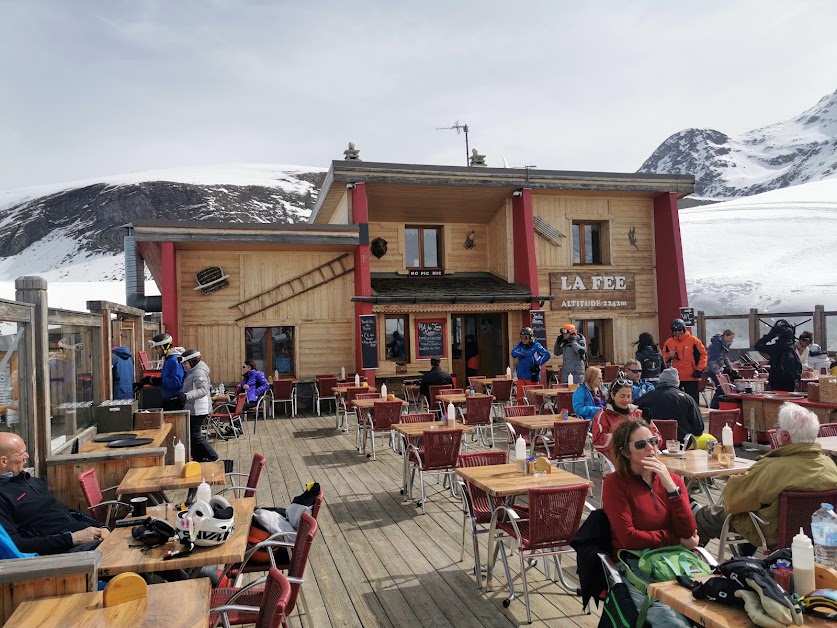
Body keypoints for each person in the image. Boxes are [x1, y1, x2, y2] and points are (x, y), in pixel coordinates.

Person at [694, 402, 837, 549]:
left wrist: (741, 479)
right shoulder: (831, 466)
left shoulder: (771, 468)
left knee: (707, 515)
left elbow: (731, 503)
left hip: (772, 534)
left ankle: (696, 558)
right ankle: (746, 557)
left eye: (778, 427)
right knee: (756, 510)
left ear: (785, 435)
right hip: (819, 536)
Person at [602, 419, 697, 628]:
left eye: (653, 441)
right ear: (625, 452)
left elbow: (688, 530)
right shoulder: (615, 484)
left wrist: (672, 488)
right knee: (674, 622)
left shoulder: (672, 480)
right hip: (636, 563)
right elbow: (628, 537)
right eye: (641, 444)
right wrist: (675, 538)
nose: (650, 448)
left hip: (676, 559)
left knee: (711, 608)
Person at [0, 433, 109, 554]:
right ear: (3, 462)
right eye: (21, 454)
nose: (27, 455)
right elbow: (17, 545)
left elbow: (68, 511)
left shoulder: (31, 481)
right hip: (65, 553)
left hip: (88, 539)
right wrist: (73, 539)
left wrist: (101, 527)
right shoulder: (3, 496)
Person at [635, 368, 707, 443]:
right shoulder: (687, 399)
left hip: (652, 442)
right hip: (681, 444)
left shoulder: (645, 398)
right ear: (677, 381)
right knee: (711, 439)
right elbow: (698, 428)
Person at [591, 379, 646, 465]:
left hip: (642, 456)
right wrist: (621, 436)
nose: (626, 400)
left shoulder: (637, 413)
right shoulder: (603, 415)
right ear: (612, 395)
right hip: (616, 459)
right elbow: (598, 442)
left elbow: (656, 435)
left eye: (628, 396)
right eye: (622, 396)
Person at [180, 349, 218, 462]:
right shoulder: (193, 371)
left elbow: (203, 390)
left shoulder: (198, 372)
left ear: (192, 362)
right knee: (192, 436)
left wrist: (186, 396)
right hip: (194, 408)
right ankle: (198, 459)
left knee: (195, 435)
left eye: (185, 363)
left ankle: (213, 456)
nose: (184, 366)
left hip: (199, 409)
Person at [662, 318, 707, 405]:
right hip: (675, 378)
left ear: (684, 329)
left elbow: (703, 355)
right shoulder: (669, 342)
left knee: (693, 402)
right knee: (676, 402)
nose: (677, 332)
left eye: (679, 330)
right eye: (675, 330)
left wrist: (699, 370)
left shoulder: (694, 341)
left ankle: (693, 417)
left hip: (691, 376)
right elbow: (662, 358)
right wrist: (669, 355)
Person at [754, 320, 801, 392]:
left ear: (779, 335)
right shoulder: (792, 348)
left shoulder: (774, 348)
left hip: (776, 380)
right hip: (790, 381)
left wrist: (770, 335)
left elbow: (758, 345)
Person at [147, 333, 185, 411]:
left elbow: (176, 382)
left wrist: (161, 381)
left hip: (175, 401)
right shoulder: (168, 359)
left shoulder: (174, 360)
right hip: (168, 400)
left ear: (165, 347)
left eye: (157, 348)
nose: (157, 351)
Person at [706, 330, 739, 409]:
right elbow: (711, 360)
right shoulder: (717, 345)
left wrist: (730, 368)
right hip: (711, 368)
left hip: (718, 367)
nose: (732, 340)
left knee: (723, 387)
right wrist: (717, 372)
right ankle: (714, 407)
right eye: (731, 338)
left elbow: (724, 357)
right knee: (721, 387)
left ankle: (717, 406)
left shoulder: (725, 344)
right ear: (725, 336)